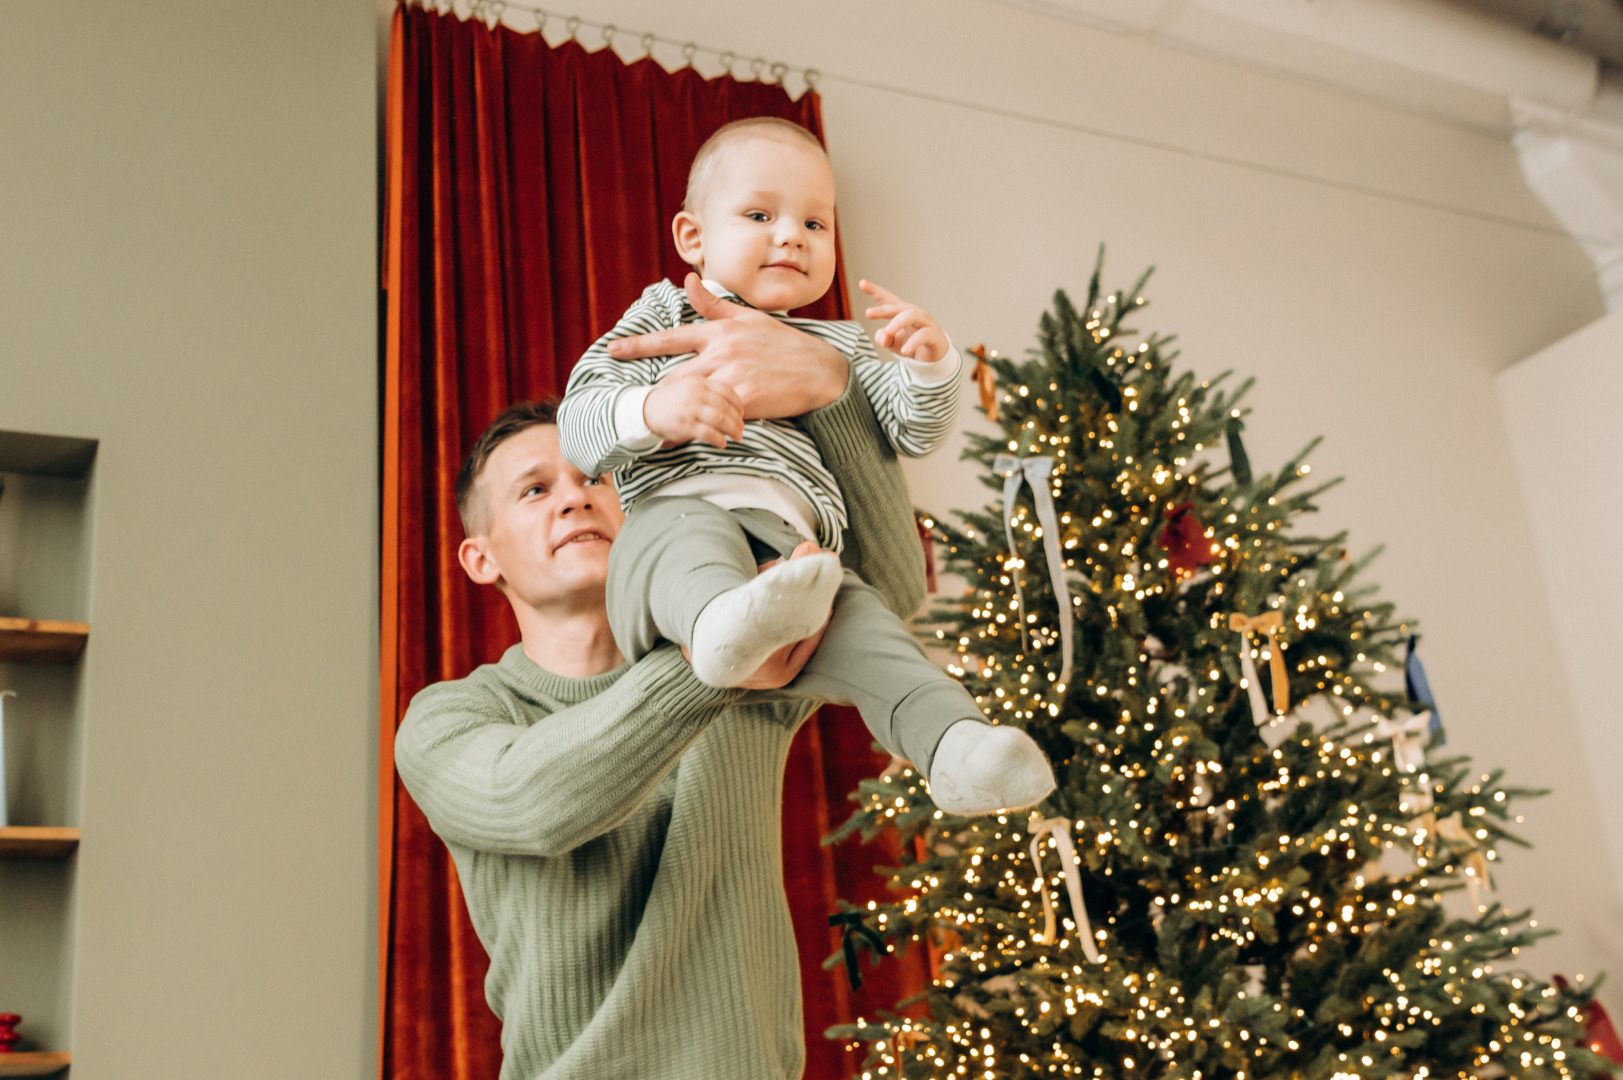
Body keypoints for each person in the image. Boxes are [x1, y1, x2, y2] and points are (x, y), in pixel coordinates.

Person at [393, 327, 944, 1078]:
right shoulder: (447, 718)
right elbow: (531, 802)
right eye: (535, 489)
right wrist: (719, 659)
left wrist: (834, 386)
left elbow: (890, 595)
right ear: (480, 557)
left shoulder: (751, 654)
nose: (575, 499)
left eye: (597, 476)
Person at [556, 117, 1053, 815]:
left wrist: (933, 365)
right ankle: (717, 622)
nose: (791, 235)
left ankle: (955, 747)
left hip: (799, 557)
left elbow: (911, 432)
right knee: (685, 537)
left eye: (814, 225)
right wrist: (653, 411)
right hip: (675, 523)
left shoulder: (846, 344)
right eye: (760, 214)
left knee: (875, 632)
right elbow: (578, 424)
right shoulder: (662, 312)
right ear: (693, 238)